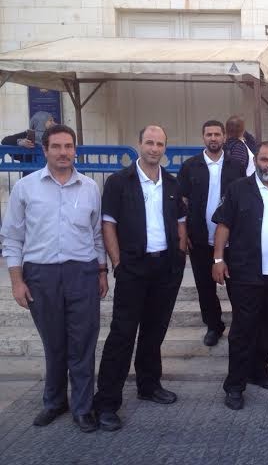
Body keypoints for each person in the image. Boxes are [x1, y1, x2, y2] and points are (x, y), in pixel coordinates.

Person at [0, 124, 107, 433]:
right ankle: (55, 401)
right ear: (44, 150)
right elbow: (12, 238)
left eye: (68, 146)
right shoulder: (26, 188)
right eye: (56, 146)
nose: (63, 152)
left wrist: (101, 271)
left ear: (75, 150)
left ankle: (83, 407)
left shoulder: (90, 188)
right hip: (41, 274)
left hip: (82, 273)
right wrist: (17, 281)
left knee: (83, 343)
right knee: (54, 342)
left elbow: (97, 235)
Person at [93, 124, 188, 431]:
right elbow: (108, 224)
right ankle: (107, 402)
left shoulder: (172, 183)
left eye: (159, 144)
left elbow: (181, 222)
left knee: (154, 331)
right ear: (139, 144)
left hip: (166, 268)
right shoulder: (119, 182)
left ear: (165, 148)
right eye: (149, 142)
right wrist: (117, 264)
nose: (154, 149)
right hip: (132, 268)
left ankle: (149, 385)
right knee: (122, 335)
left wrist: (180, 256)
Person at [212, 142, 268, 411]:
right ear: (256, 162)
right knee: (243, 330)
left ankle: (259, 371)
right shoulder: (238, 189)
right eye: (264, 159)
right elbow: (223, 225)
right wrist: (218, 259)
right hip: (246, 272)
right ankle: (235, 385)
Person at [177, 120, 245, 346]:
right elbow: (182, 201)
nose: (213, 138)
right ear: (203, 137)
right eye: (209, 134)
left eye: (217, 134)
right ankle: (214, 326)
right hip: (199, 239)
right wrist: (184, 233)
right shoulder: (190, 166)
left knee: (237, 287)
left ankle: (240, 328)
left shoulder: (236, 166)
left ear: (224, 137)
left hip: (231, 241)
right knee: (205, 288)